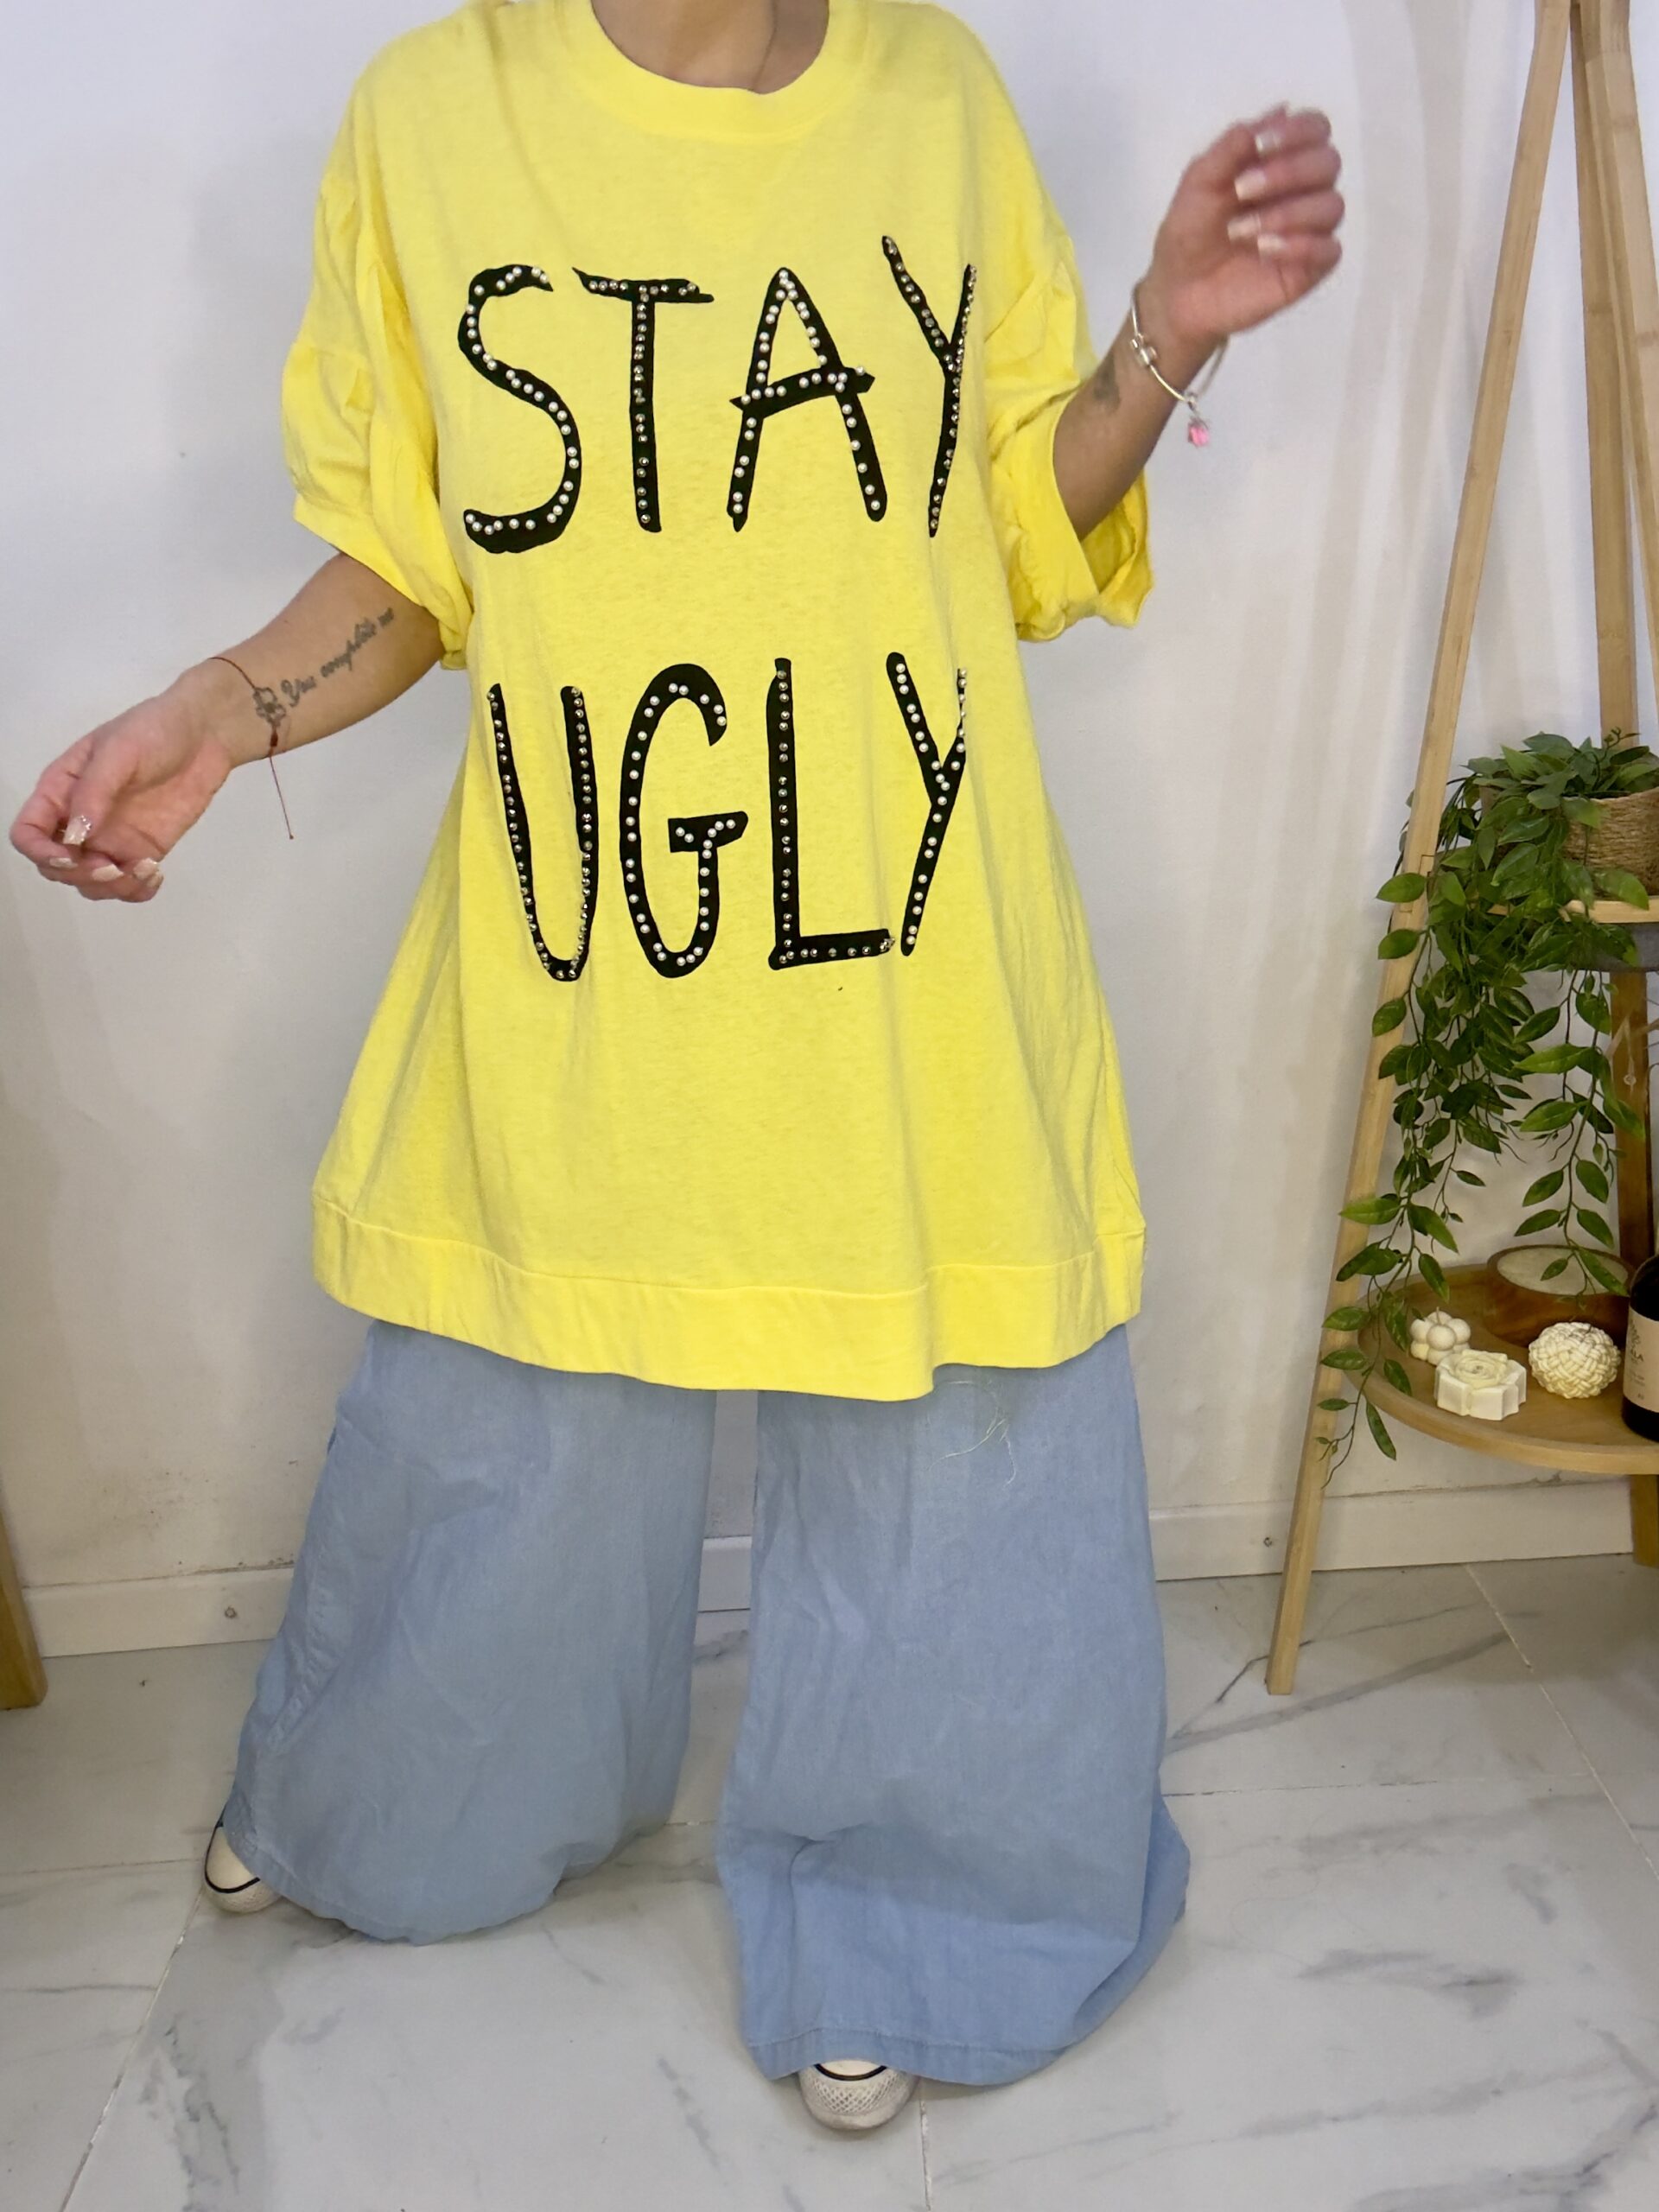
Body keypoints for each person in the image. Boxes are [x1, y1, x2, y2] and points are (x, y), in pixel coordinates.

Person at [11, 0, 1341, 2135]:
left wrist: (1163, 338)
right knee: (512, 1391)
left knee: (949, 1422)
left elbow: (1012, 523)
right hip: (581, 929)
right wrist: (223, 709)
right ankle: (416, 1794)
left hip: (909, 934)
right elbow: (421, 558)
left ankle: (932, 1899)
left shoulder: (936, 93)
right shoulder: (436, 118)